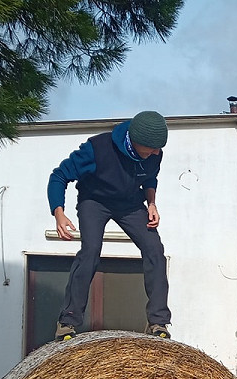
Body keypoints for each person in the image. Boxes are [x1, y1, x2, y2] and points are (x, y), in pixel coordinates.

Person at [47, 110, 171, 341]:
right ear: (134, 141)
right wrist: (59, 213)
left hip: (130, 203)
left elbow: (149, 178)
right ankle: (68, 321)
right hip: (94, 201)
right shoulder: (97, 149)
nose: (156, 152)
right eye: (152, 148)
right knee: (91, 250)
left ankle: (158, 321)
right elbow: (59, 176)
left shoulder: (154, 153)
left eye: (158, 148)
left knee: (155, 250)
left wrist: (152, 203)